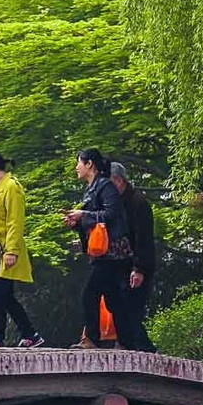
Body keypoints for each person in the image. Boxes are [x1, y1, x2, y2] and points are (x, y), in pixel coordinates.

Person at [64, 148, 135, 349]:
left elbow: (111, 214)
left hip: (111, 252)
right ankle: (127, 341)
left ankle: (92, 338)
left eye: (79, 162)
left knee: (89, 294)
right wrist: (77, 222)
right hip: (101, 252)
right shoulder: (91, 188)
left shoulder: (105, 186)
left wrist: (83, 215)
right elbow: (94, 218)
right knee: (113, 298)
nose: (76, 167)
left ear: (89, 164)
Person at [0, 151, 44, 348]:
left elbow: (15, 222)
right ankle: (30, 333)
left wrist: (11, 251)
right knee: (4, 295)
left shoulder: (11, 187)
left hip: (5, 250)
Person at [110, 162, 158, 352]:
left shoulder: (138, 203)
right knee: (118, 305)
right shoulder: (115, 204)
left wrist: (139, 268)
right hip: (119, 263)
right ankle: (129, 344)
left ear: (119, 181)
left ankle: (143, 348)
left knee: (132, 308)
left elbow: (143, 239)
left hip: (137, 265)